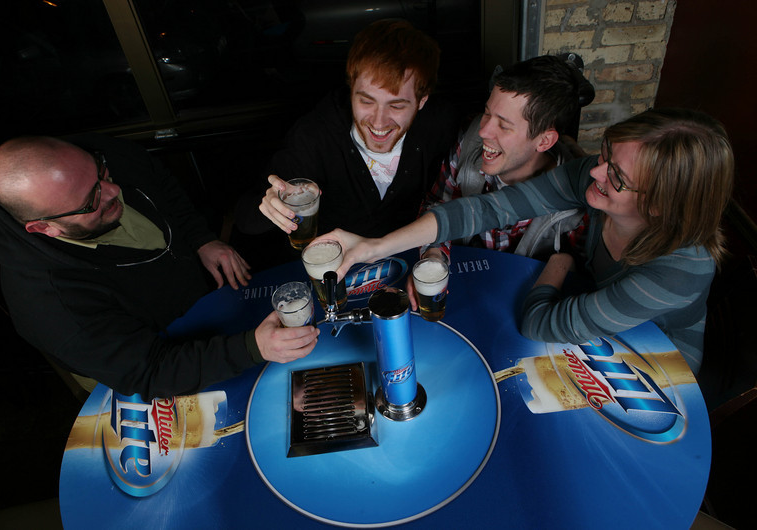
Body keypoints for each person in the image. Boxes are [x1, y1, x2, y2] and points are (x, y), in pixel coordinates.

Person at [318, 108, 734, 375]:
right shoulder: (597, 175)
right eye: (606, 153)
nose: (596, 171)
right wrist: (374, 247)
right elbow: (487, 209)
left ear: (661, 205)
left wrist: (557, 267)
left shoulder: (681, 269)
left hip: (652, 372)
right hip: (593, 330)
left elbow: (542, 323)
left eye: (617, 177)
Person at [0, 134, 319, 400]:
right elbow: (150, 371)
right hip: (155, 369)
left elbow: (161, 183)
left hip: (205, 307)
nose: (114, 191)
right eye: (92, 202)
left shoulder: (90, 158)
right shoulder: (50, 305)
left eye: (102, 174)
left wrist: (202, 239)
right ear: (44, 228)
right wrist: (253, 348)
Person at [235, 18, 458, 266]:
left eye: (396, 105)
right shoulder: (315, 135)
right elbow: (245, 218)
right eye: (366, 101)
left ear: (422, 101)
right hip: (332, 271)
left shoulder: (440, 124)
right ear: (351, 90)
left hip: (408, 265)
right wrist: (269, 207)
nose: (379, 121)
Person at [418, 54, 591, 264]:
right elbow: (437, 203)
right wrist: (434, 255)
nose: (484, 131)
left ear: (544, 141)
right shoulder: (470, 142)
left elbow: (581, 279)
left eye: (504, 126)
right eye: (487, 113)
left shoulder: (576, 207)